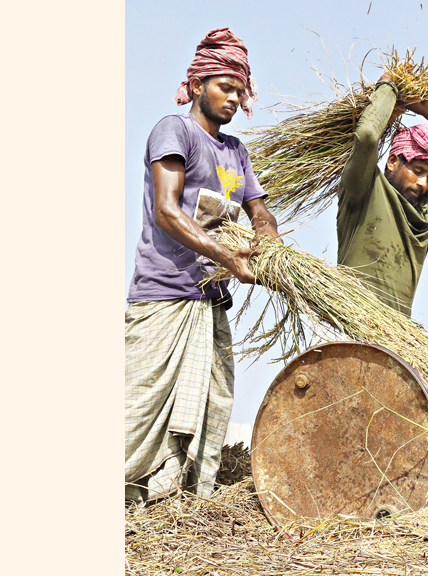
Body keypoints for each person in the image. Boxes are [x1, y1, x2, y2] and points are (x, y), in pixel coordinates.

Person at [125, 28, 279, 504]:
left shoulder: (235, 152)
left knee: (212, 403)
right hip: (164, 296)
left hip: (209, 302)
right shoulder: (175, 131)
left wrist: (268, 237)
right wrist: (230, 258)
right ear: (196, 86)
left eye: (240, 91)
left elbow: (258, 207)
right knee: (139, 409)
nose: (233, 98)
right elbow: (167, 213)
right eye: (224, 87)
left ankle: (175, 502)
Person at [337, 72, 428, 317]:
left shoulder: (427, 212)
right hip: (349, 329)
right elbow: (367, 136)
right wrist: (388, 87)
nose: (424, 183)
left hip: (395, 341)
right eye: (418, 171)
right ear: (393, 161)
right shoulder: (364, 189)